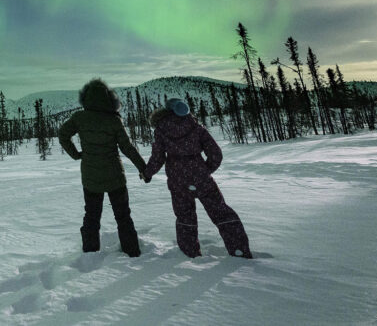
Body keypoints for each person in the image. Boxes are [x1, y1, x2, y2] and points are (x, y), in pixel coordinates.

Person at [144, 97, 252, 258]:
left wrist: (147, 173)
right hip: (201, 178)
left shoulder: (161, 130)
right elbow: (216, 154)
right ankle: (239, 250)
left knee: (184, 217)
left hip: (177, 179)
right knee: (221, 212)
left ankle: (190, 254)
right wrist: (205, 171)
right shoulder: (197, 128)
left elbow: (158, 158)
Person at [58, 78, 147, 256]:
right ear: (109, 99)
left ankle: (90, 254)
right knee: (123, 216)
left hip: (90, 177)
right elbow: (127, 147)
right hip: (115, 175)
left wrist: (76, 154)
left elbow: (62, 134)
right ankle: (132, 251)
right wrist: (143, 168)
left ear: (86, 98)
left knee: (91, 216)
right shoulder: (114, 120)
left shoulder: (79, 118)